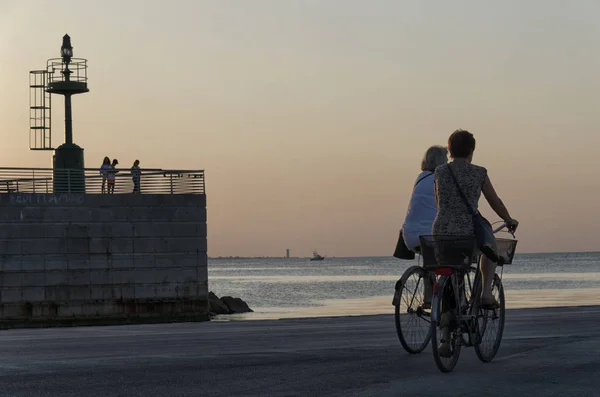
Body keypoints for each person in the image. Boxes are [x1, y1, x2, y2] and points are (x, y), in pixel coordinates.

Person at [432, 129, 518, 356]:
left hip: (441, 231)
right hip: (468, 231)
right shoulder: (479, 172)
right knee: (490, 248)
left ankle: (445, 339)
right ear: (471, 151)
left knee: (449, 276)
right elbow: (494, 201)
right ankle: (487, 292)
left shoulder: (440, 172)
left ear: (449, 150)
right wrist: (508, 219)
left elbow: (440, 200)